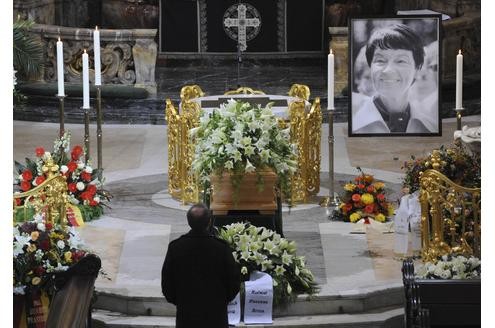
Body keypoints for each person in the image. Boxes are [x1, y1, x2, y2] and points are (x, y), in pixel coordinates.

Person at [161, 203, 240, 328]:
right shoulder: (221, 247)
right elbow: (234, 281)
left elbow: (167, 283)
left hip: (186, 315)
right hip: (216, 315)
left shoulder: (176, 247)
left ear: (188, 222)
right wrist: (221, 301)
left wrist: (181, 301)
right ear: (209, 222)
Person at [352, 23, 438, 134]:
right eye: (380, 60)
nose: (388, 70)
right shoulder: (353, 124)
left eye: (401, 61)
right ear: (370, 66)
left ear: (417, 69)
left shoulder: (430, 128)